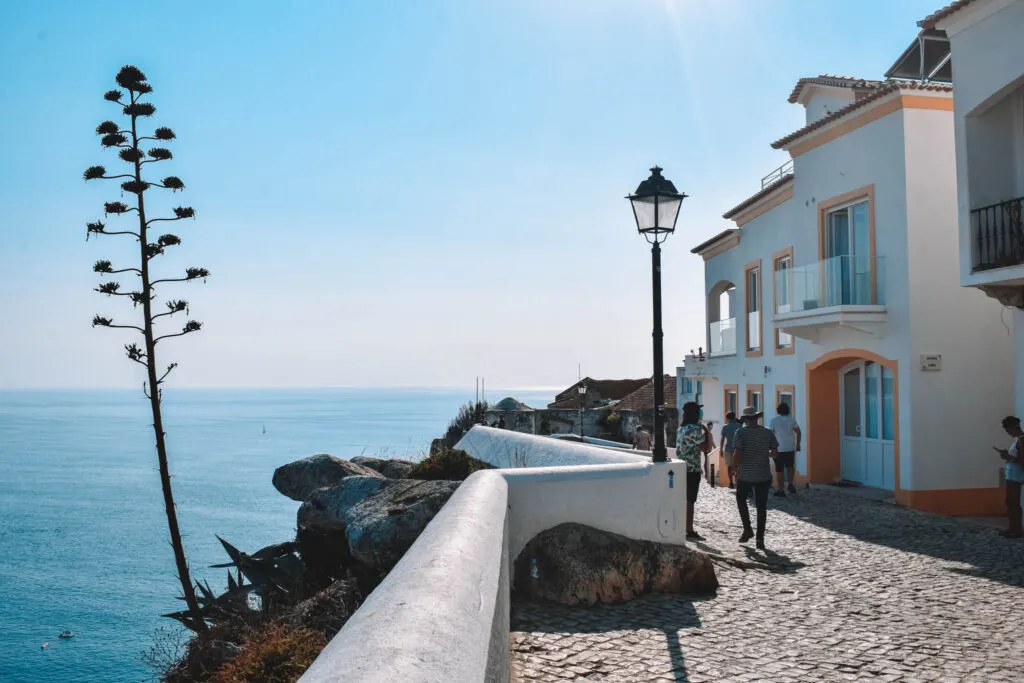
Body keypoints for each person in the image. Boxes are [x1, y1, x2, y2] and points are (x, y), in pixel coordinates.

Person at [732, 406, 778, 550]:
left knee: (741, 500)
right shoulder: (768, 433)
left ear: (745, 419)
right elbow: (775, 453)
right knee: (761, 506)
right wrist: (764, 454)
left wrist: (734, 468)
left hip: (745, 474)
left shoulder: (740, 433)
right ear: (757, 417)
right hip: (763, 474)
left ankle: (747, 529)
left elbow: (737, 453)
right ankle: (760, 539)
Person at [677, 401, 712, 541]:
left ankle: (682, 526)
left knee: (682, 499)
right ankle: (689, 529)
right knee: (690, 500)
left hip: (680, 467)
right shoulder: (694, 429)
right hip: (692, 469)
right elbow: (706, 448)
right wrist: (708, 432)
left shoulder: (681, 428)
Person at [995, 415, 1024, 538]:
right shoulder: (1018, 440)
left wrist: (1008, 457)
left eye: (1007, 430)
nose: (1007, 433)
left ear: (1012, 428)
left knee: (1014, 503)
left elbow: (1022, 460)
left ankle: (1017, 530)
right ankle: (1012, 527)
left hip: (1016, 476)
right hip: (1012, 474)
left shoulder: (1022, 440)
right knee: (1010, 502)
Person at [768, 402, 802, 497]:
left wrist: (770, 447)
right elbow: (798, 432)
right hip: (790, 447)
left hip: (778, 448)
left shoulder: (774, 420)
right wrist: (798, 444)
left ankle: (781, 489)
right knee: (790, 466)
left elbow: (770, 434)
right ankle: (791, 484)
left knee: (779, 469)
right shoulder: (791, 420)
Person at [719, 412, 742, 489]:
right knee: (737, 466)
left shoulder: (725, 427)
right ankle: (737, 482)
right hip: (738, 448)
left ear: (727, 418)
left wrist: (721, 449)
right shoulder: (739, 426)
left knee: (729, 466)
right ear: (734, 417)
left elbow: (722, 439)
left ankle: (731, 482)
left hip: (728, 448)